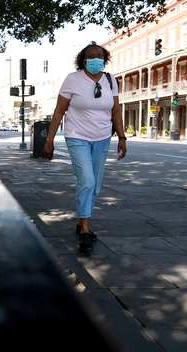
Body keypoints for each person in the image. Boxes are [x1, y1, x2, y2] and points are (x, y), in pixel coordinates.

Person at [44, 41, 127, 252]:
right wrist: (49, 140)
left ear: (105, 60)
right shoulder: (73, 80)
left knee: (96, 185)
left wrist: (122, 137)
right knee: (87, 180)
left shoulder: (110, 80)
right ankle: (85, 231)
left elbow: (115, 111)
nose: (94, 60)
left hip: (102, 138)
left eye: (98, 57)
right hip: (77, 136)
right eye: (89, 57)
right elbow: (59, 112)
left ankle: (82, 221)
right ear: (82, 61)